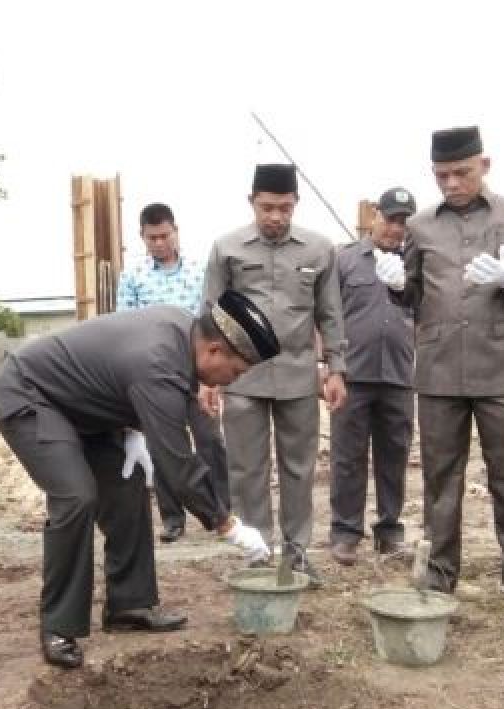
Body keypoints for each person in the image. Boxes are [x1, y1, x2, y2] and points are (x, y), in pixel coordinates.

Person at [0, 291, 276, 668]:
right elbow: (177, 464)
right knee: (76, 497)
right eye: (236, 372)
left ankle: (130, 602)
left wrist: (134, 429)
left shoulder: (182, 331)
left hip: (82, 408)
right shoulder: (160, 360)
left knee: (127, 485)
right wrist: (227, 524)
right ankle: (59, 625)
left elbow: (129, 381)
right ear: (215, 350)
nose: (230, 381)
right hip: (31, 395)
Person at [381, 127, 504, 617]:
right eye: (442, 175)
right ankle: (440, 573)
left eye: (462, 172)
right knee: (440, 478)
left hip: (501, 366)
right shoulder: (418, 226)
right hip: (437, 370)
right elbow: (411, 292)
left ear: (485, 164)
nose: (452, 183)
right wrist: (395, 285)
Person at [202, 164, 347, 585]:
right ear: (252, 203)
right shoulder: (226, 248)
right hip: (241, 377)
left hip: (299, 376)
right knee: (246, 468)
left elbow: (331, 313)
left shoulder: (319, 250)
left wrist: (336, 368)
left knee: (299, 468)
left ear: (295, 204)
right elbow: (208, 317)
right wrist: (207, 379)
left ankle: (298, 552)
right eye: (267, 208)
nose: (275, 217)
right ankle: (258, 551)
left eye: (284, 208)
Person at [115, 202, 228, 543]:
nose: (160, 243)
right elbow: (126, 326)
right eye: (152, 238)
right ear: (142, 238)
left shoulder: (200, 271)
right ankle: (172, 518)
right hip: (155, 375)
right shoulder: (133, 277)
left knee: (209, 440)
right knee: (164, 445)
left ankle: (221, 508)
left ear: (176, 231)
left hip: (196, 372)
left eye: (165, 235)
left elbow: (212, 320)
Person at [329, 187, 417, 566]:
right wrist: (328, 366)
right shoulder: (344, 260)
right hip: (353, 375)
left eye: (403, 221)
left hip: (399, 375)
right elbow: (326, 316)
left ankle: (389, 531)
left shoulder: (417, 265)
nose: (395, 228)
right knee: (347, 457)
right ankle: (346, 532)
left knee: (393, 456)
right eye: (390, 218)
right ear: (374, 216)